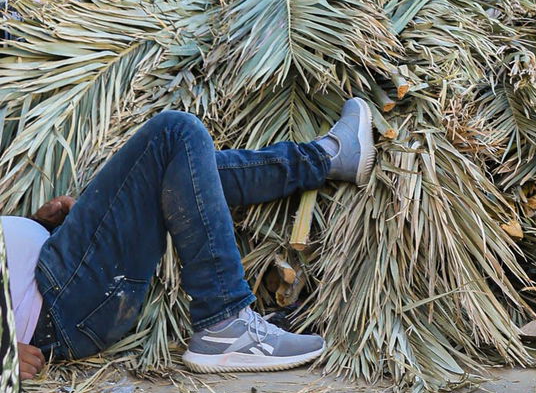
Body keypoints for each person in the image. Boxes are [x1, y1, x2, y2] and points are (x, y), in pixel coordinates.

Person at [4, 100, 373, 378]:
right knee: (174, 133)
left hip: (60, 268)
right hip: (60, 302)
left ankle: (329, 157)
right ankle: (224, 320)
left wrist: (37, 224)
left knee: (180, 165)